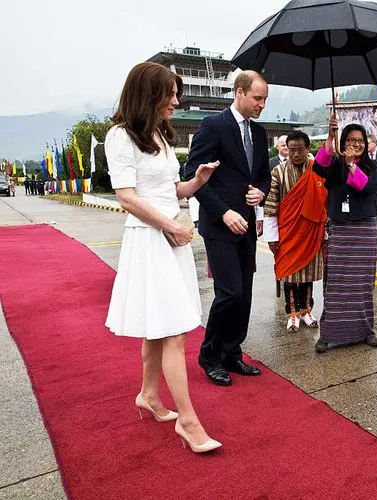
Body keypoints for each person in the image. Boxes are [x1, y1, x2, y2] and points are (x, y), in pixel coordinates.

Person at [104, 62, 221, 453]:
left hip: (172, 238)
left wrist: (197, 182)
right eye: (169, 93)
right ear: (147, 94)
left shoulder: (161, 135)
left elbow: (173, 190)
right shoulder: (121, 136)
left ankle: (149, 396)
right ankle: (188, 421)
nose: (176, 100)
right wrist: (171, 227)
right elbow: (127, 198)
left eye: (176, 92)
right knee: (172, 329)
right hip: (151, 239)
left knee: (161, 327)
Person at [185, 70, 271, 386]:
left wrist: (260, 191)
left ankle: (232, 352)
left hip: (246, 225)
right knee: (229, 292)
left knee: (244, 293)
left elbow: (263, 174)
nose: (262, 105)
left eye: (265, 100)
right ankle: (209, 355)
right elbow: (194, 174)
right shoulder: (213, 126)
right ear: (239, 93)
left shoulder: (260, 134)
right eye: (257, 98)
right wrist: (223, 213)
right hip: (220, 225)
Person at [312, 116, 377, 353]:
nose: (356, 144)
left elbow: (367, 187)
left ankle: (366, 331)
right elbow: (318, 167)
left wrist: (352, 165)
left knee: (362, 282)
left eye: (360, 140)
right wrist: (330, 136)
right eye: (351, 140)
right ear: (343, 141)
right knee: (336, 282)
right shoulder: (335, 164)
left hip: (364, 231)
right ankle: (329, 333)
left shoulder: (372, 166)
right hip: (340, 229)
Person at [264, 131, 327, 332]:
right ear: (286, 150)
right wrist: (271, 236)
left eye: (300, 150)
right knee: (289, 273)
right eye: (292, 150)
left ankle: (306, 310)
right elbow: (271, 204)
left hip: (312, 232)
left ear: (308, 149)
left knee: (307, 274)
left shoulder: (318, 170)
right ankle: (292, 313)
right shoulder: (278, 172)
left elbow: (325, 200)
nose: (296, 154)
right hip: (288, 232)